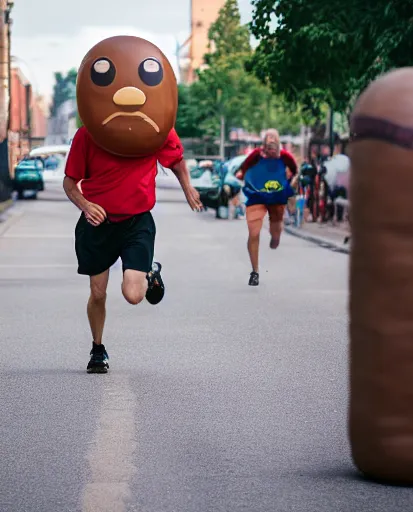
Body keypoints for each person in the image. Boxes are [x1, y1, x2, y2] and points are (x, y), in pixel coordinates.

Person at [64, 35, 203, 374]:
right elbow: (69, 183)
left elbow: (177, 160)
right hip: (98, 224)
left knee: (133, 294)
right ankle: (98, 349)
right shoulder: (88, 135)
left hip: (137, 222)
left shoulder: (153, 129)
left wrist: (188, 189)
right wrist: (85, 204)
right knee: (98, 293)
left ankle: (149, 274)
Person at [236, 129, 298, 286]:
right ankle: (255, 271)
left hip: (277, 196)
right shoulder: (256, 155)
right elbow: (244, 168)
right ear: (263, 143)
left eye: (273, 139)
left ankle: (275, 237)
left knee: (276, 231)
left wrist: (289, 183)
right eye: (268, 139)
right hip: (257, 195)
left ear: (278, 143)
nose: (270, 142)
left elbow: (295, 170)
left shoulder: (285, 156)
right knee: (254, 232)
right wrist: (244, 177)